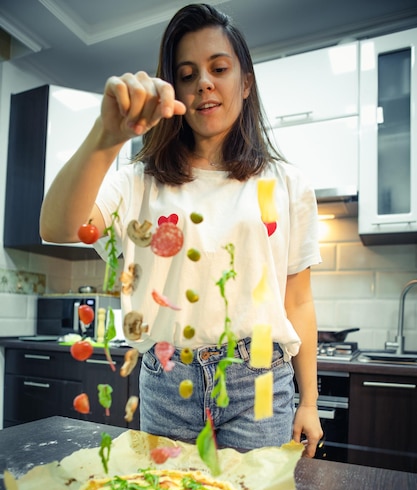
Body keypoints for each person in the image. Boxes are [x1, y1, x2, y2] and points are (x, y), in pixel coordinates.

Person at [40, 3, 323, 457]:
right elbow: (57, 227)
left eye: (219, 68)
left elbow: (299, 300)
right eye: (187, 74)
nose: (204, 83)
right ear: (176, 92)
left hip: (262, 381)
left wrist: (309, 401)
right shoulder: (139, 183)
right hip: (167, 381)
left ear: (245, 82)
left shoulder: (285, 184)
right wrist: (106, 134)